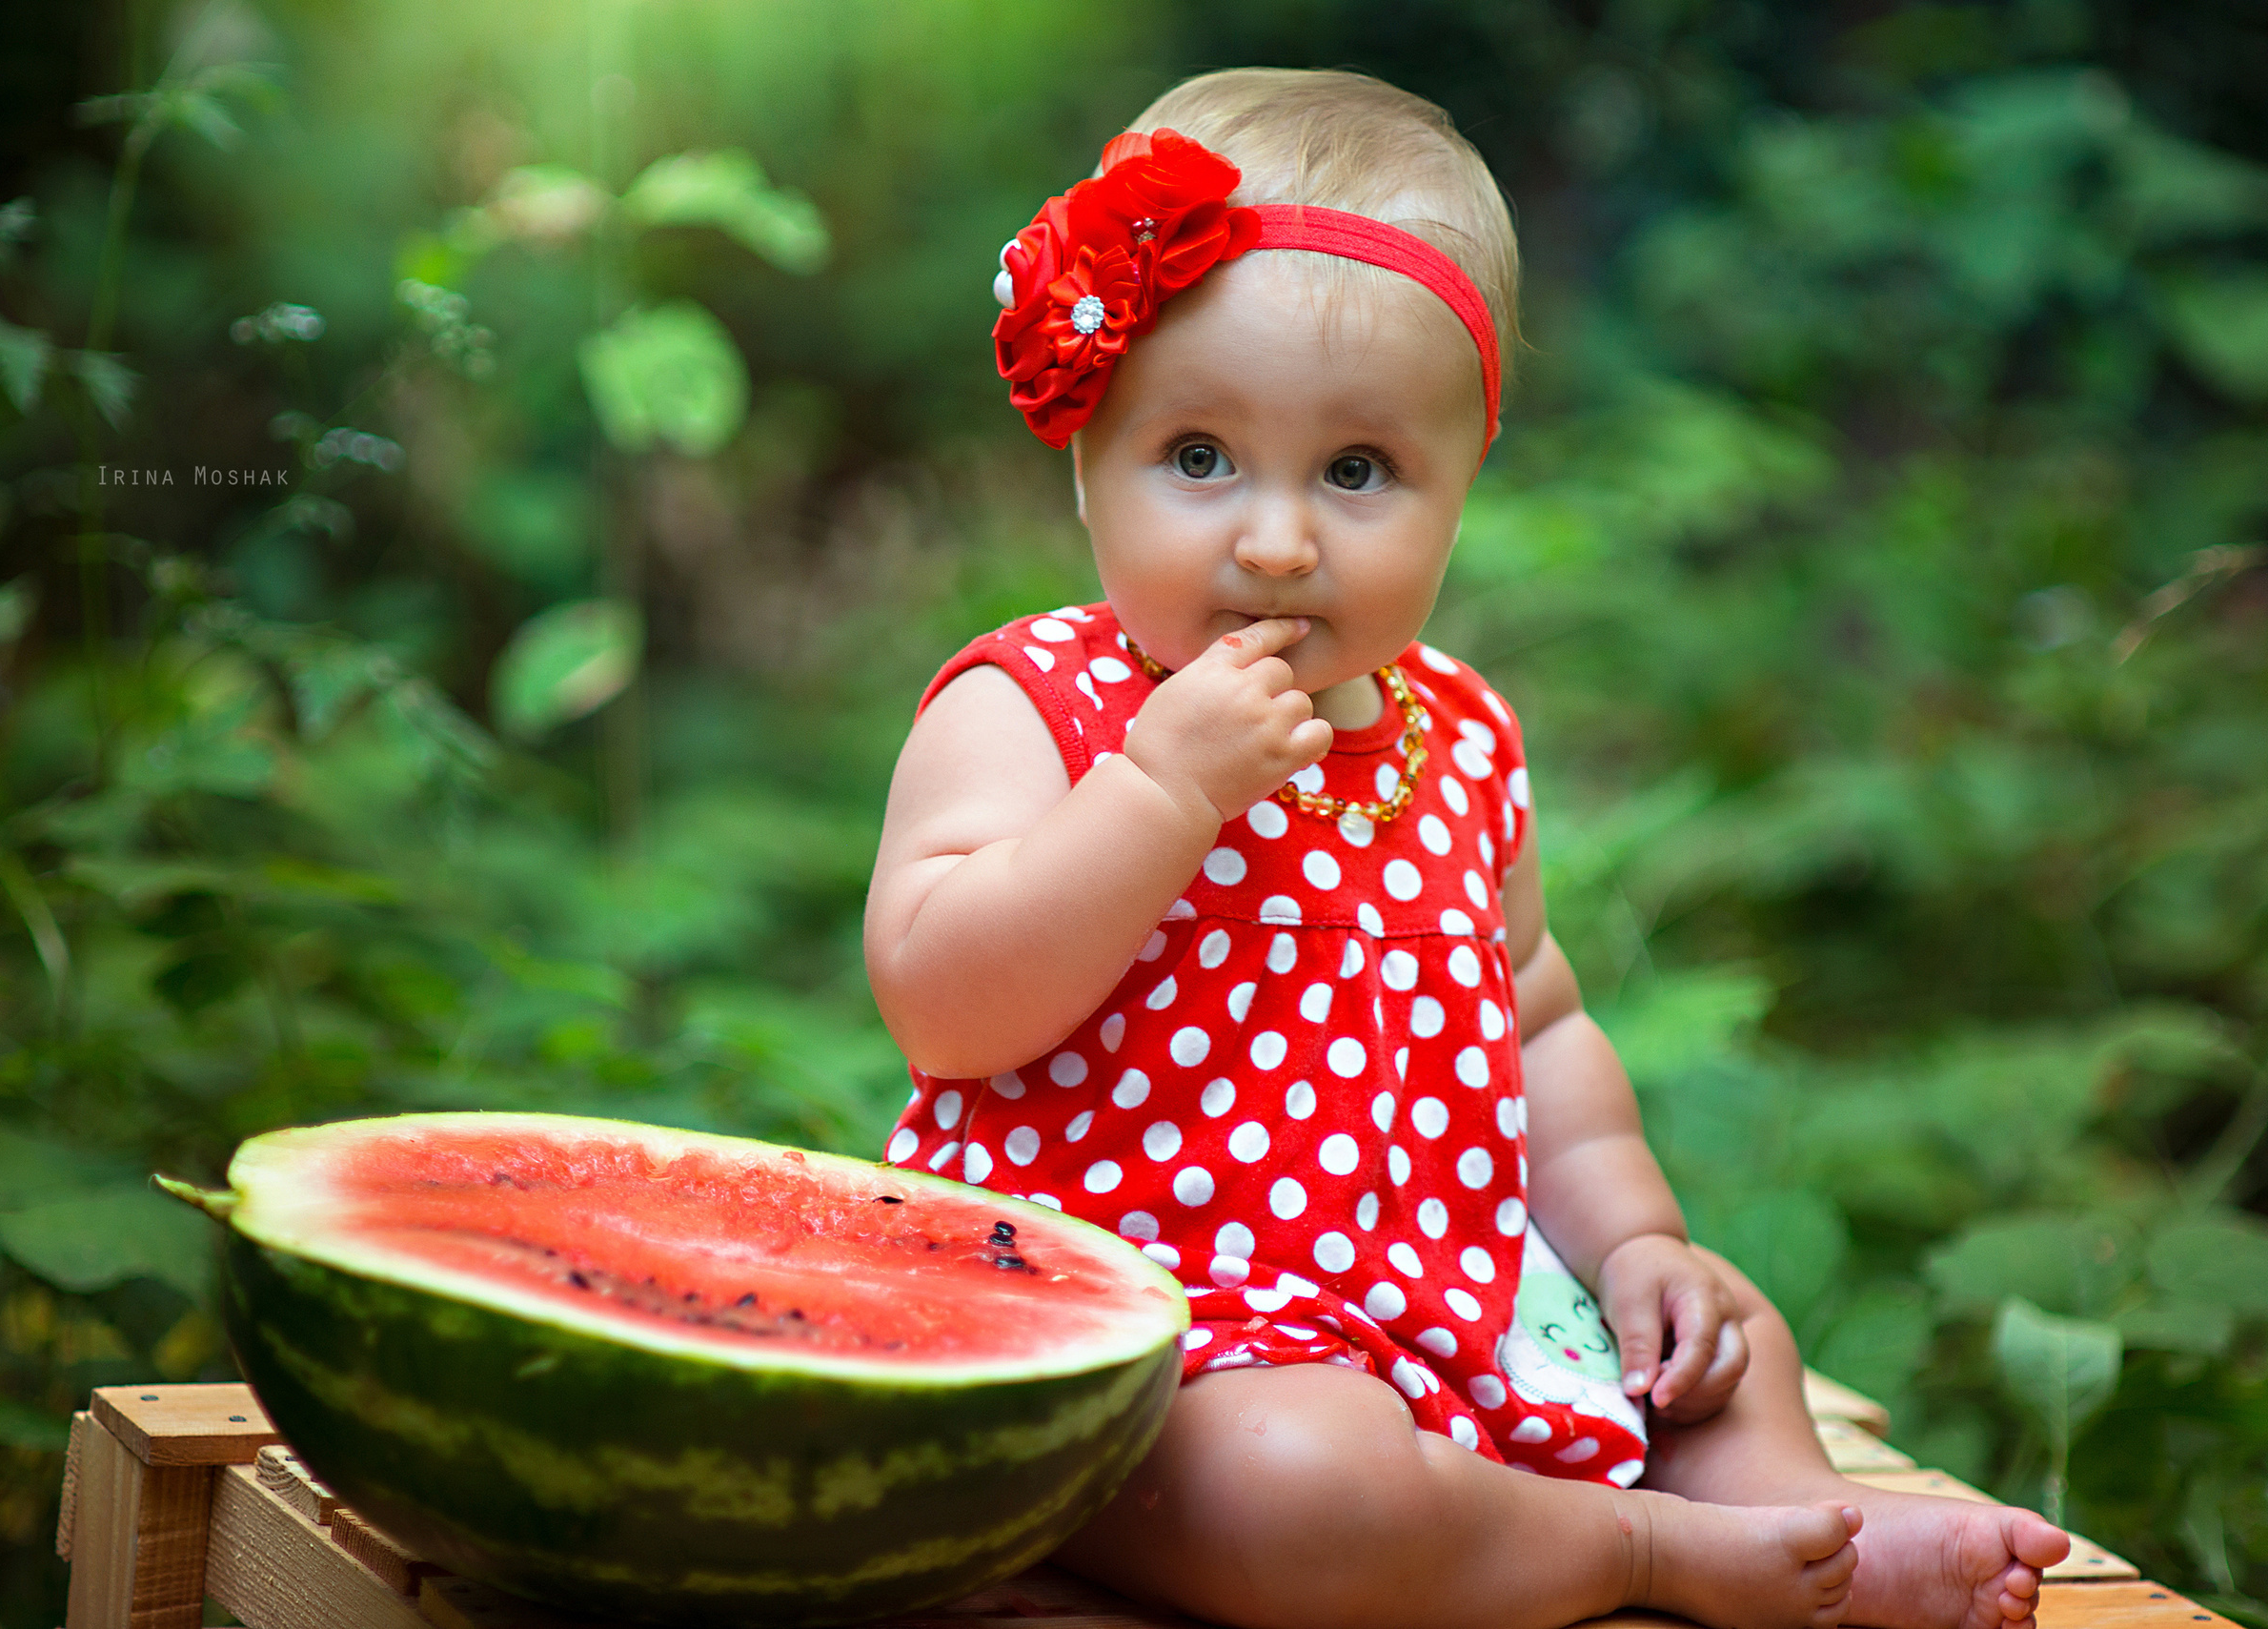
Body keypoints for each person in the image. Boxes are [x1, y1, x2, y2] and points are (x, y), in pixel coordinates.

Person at [862, 67, 2071, 1629]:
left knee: (1724, 1340)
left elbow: (1538, 1021)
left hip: (1440, 1299)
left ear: (1462, 483)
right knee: (1302, 1487)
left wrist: (1636, 1239)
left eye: (1356, 471)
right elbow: (942, 1004)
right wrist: (1158, 796)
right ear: (1087, 455)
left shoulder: (1462, 740)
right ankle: (1639, 1549)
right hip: (1133, 1317)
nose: (1277, 540)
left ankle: (1810, 1524)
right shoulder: (1036, 705)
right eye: (1201, 455)